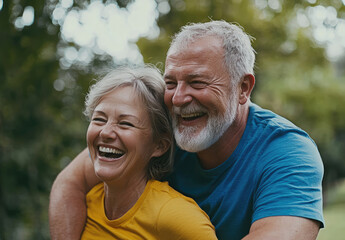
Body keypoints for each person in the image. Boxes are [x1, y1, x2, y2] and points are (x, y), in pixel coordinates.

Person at [49, 20, 324, 240]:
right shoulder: (164, 129)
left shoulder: (288, 154)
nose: (178, 98)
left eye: (197, 82)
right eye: (171, 83)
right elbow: (70, 182)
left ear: (243, 88)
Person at [73, 66, 217, 239]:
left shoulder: (177, 216)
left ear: (159, 146)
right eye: (99, 119)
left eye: (126, 123)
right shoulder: (84, 206)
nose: (105, 132)